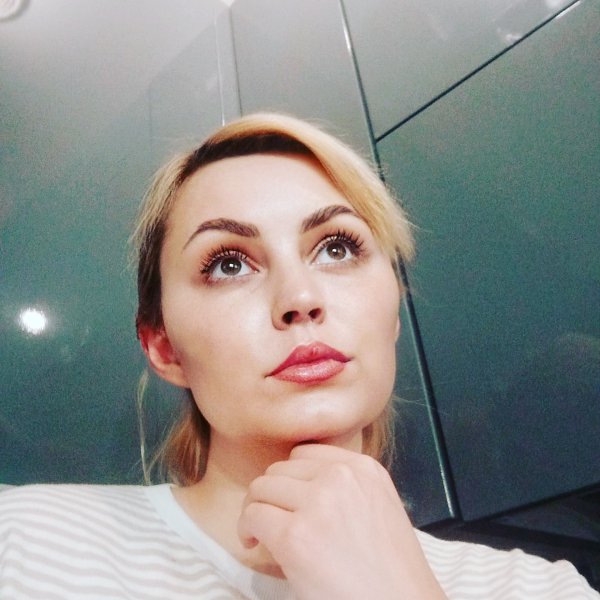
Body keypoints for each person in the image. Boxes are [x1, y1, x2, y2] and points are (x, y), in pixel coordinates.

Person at [0, 113, 597, 599]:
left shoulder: (538, 588)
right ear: (164, 346)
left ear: (393, 311)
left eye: (337, 248)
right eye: (227, 264)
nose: (300, 298)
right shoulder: (26, 544)